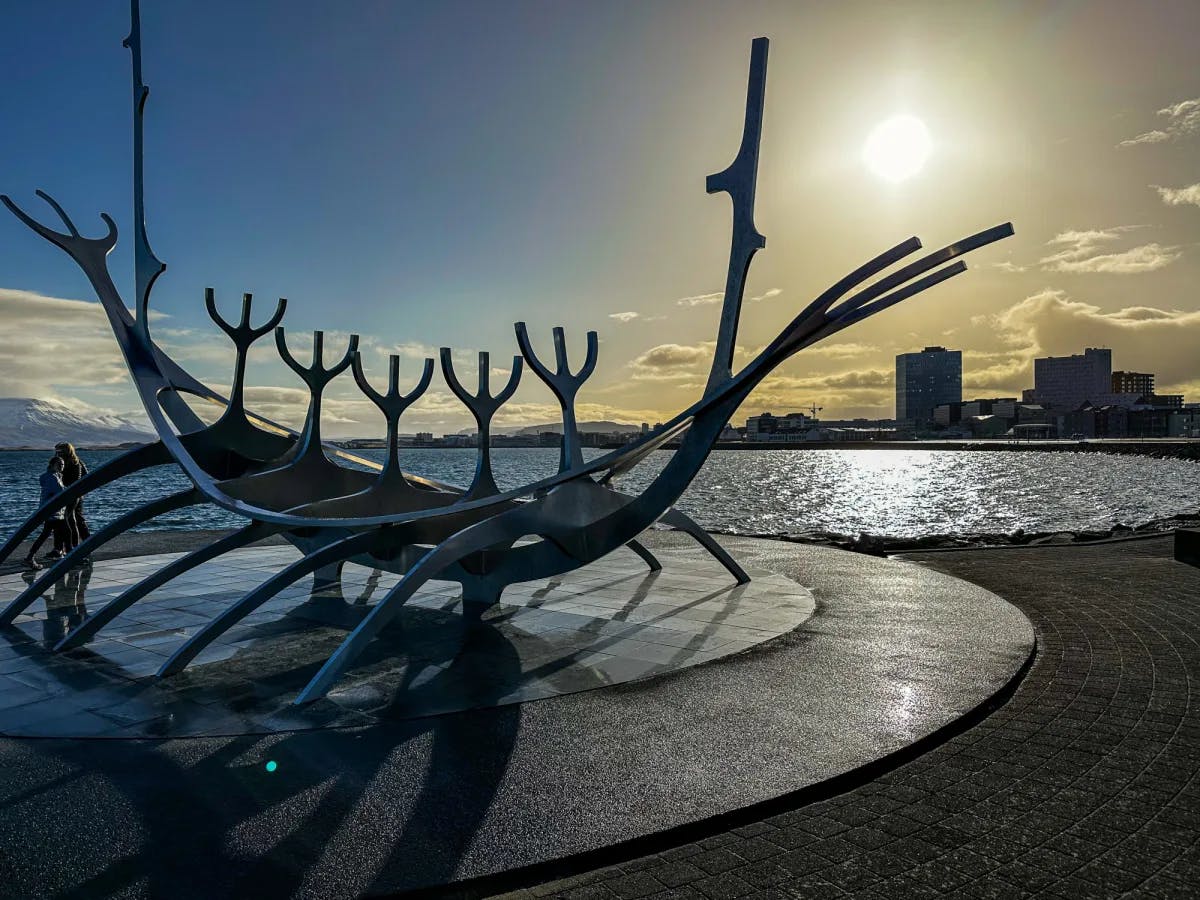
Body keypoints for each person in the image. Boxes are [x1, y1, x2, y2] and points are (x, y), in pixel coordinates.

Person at [23, 456, 70, 569]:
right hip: (53, 512)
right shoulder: (52, 478)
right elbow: (61, 491)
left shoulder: (54, 476)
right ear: (52, 465)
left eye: (62, 464)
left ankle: (30, 557)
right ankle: (72, 556)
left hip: (54, 511)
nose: (61, 466)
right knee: (66, 532)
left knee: (46, 534)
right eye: (59, 464)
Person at [55, 442, 90, 549]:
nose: (58, 453)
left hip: (69, 494)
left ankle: (66, 547)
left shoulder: (67, 463)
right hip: (76, 494)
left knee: (66, 520)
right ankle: (87, 542)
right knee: (77, 519)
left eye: (60, 451)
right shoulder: (78, 462)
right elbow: (87, 476)